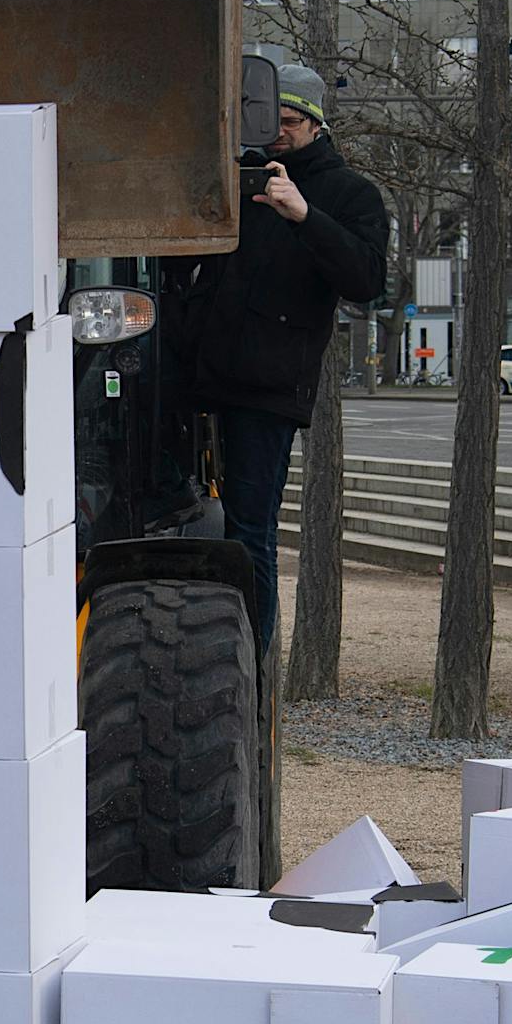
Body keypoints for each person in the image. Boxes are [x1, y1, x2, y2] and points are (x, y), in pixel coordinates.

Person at [191, 64, 388, 646]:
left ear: (317, 125)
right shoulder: (235, 178)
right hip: (197, 373)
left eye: (290, 122)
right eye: (266, 121)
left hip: (268, 386)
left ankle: (249, 661)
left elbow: (366, 279)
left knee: (250, 532)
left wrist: (304, 215)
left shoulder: (349, 193)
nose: (276, 133)